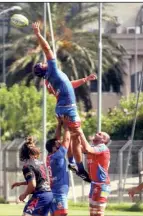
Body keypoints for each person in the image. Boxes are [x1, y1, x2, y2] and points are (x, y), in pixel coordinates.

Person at [32, 21, 95, 179]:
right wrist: (38, 34)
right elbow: (47, 49)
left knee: (74, 137)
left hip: (62, 108)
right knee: (77, 138)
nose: (45, 61)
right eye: (42, 63)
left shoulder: (49, 81)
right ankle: (77, 166)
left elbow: (68, 85)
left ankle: (74, 163)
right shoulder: (52, 70)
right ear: (44, 68)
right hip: (68, 108)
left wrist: (85, 79)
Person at [73, 128, 120, 216]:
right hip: (95, 185)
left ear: (104, 140)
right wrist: (75, 138)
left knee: (99, 215)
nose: (97, 133)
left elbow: (87, 149)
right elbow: (78, 152)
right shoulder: (93, 147)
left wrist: (81, 132)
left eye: (101, 134)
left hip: (102, 186)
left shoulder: (102, 147)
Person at [41, 118, 81, 216]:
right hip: (58, 194)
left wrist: (59, 124)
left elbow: (58, 139)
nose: (60, 143)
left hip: (54, 193)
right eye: (58, 144)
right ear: (54, 148)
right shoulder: (58, 156)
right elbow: (66, 141)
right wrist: (68, 127)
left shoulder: (50, 156)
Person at [11, 137, 53, 216]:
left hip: (40, 195)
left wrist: (24, 194)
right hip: (48, 194)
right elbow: (41, 180)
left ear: (24, 153)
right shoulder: (41, 163)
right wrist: (21, 183)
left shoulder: (27, 166)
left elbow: (33, 184)